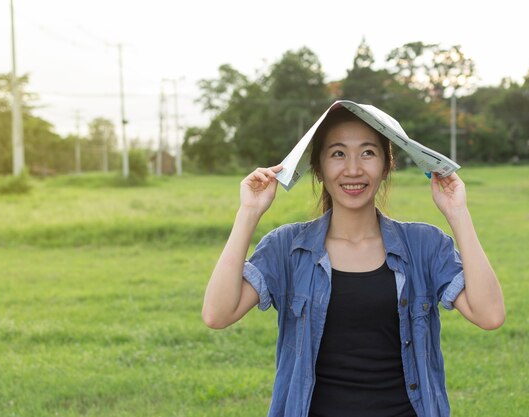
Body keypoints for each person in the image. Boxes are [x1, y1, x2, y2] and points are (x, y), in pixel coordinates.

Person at [202, 106, 505, 417]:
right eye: (337, 154)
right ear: (317, 168)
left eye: (368, 153)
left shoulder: (424, 245)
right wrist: (248, 213)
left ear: (387, 165)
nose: (353, 169)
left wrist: (458, 214)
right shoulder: (287, 248)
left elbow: (490, 315)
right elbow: (217, 314)